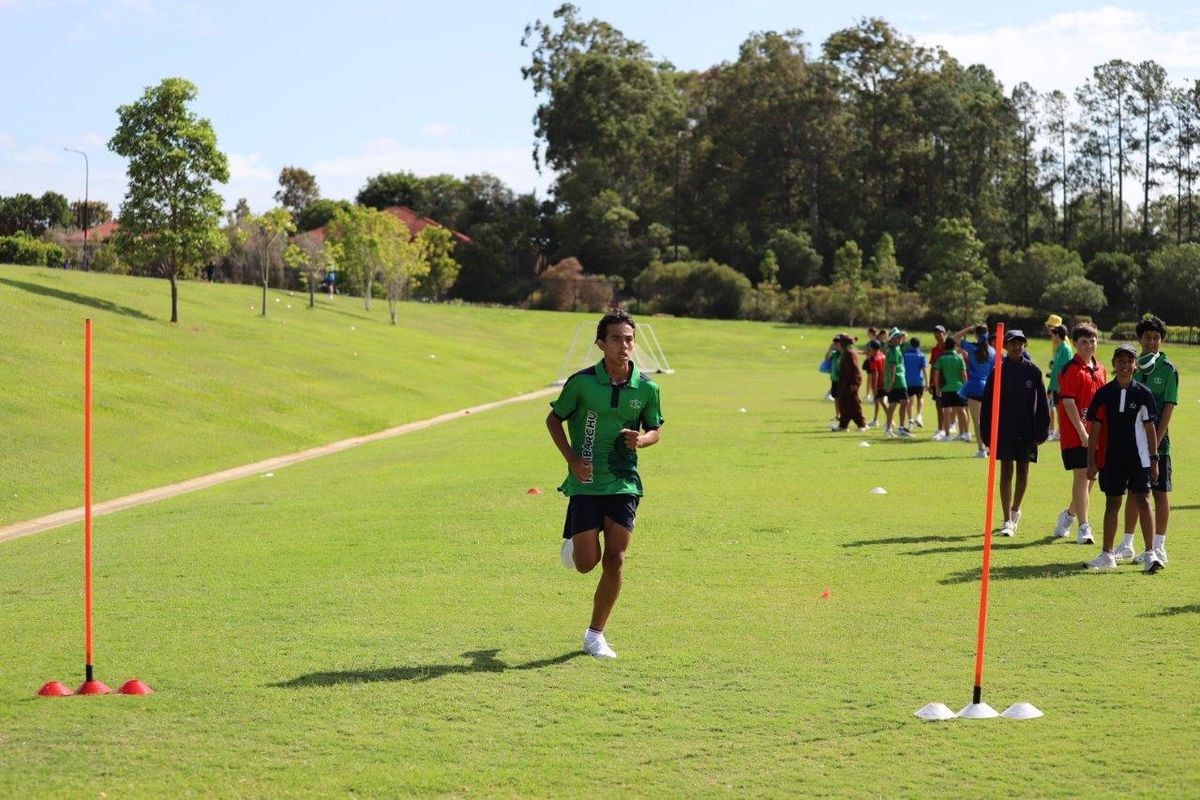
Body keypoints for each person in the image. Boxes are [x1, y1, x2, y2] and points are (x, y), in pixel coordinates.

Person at [545, 309, 665, 659]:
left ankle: (595, 635)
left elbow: (655, 429)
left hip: (624, 481)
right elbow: (553, 420)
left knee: (615, 559)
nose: (623, 345)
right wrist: (572, 459)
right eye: (616, 339)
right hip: (585, 481)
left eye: (629, 339)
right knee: (586, 563)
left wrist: (642, 440)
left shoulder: (647, 388)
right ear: (601, 344)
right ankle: (575, 542)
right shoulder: (581, 383)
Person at [1082, 344, 1164, 573]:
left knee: (1143, 500)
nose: (1125, 365)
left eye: (1129, 361)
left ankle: (1150, 553)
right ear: (1114, 364)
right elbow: (1095, 430)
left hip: (1139, 458)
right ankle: (1107, 554)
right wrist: (1091, 462)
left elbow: (1150, 429)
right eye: (1121, 361)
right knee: (1112, 503)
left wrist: (1154, 459)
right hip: (1111, 457)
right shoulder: (1103, 394)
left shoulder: (1143, 394)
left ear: (1135, 365)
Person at [1118, 315, 1178, 566]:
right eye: (1147, 337)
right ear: (1140, 339)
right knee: (1134, 491)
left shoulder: (1168, 369)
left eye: (1156, 338)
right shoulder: (1133, 366)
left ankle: (1159, 546)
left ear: (1161, 341)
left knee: (1160, 492)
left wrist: (1155, 442)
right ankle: (1127, 544)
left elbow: (1168, 407)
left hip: (1158, 443)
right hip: (1132, 442)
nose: (1151, 342)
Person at [979, 330, 1050, 535]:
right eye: (1012, 343)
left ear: (1024, 345)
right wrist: (986, 434)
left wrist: (1042, 431)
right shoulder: (998, 371)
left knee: (1023, 472)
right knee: (1006, 472)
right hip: (1004, 431)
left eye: (1020, 343)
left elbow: (1043, 404)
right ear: (1005, 346)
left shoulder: (1033, 371)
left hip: (1027, 431)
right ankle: (1007, 520)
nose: (1017, 347)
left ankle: (1015, 509)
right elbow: (987, 404)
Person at [1052, 323, 1106, 544]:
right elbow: (1068, 403)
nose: (1089, 345)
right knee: (1082, 477)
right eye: (1084, 342)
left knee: (1091, 478)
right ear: (1075, 344)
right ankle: (1084, 527)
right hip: (1076, 435)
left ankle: (1068, 516)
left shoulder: (1100, 368)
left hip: (1098, 434)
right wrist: (1082, 433)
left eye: (1092, 341)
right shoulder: (1071, 369)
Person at [953, 325, 995, 457]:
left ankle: (981, 450)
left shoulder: (972, 348)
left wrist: (969, 328)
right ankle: (989, 447)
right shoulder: (993, 351)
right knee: (987, 420)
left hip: (974, 385)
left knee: (977, 421)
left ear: (976, 335)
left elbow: (955, 338)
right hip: (987, 386)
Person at [931, 338, 969, 442]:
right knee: (961, 410)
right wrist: (966, 388)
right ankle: (965, 433)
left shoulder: (941, 358)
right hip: (959, 388)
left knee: (946, 411)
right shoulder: (959, 358)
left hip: (946, 388)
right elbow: (964, 374)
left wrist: (937, 388)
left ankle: (947, 435)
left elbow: (936, 374)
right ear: (955, 346)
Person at [882, 328, 914, 438]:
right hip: (898, 381)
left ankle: (891, 428)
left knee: (894, 404)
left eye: (901, 336)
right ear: (893, 339)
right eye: (898, 337)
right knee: (903, 402)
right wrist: (891, 382)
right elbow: (892, 366)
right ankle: (896, 428)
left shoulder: (896, 348)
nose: (901, 338)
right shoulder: (893, 350)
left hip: (898, 380)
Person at [832, 334, 866, 431]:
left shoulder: (850, 353)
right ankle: (843, 425)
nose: (838, 344)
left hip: (850, 383)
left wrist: (854, 383)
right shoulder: (845, 352)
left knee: (853, 403)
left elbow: (855, 369)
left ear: (843, 343)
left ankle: (862, 424)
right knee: (843, 403)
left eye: (840, 342)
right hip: (844, 382)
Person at [1046, 323, 1074, 441]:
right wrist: (1051, 387)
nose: (1052, 336)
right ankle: (1060, 431)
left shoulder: (1066, 349)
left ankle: (1062, 432)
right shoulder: (1059, 348)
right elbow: (1055, 369)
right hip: (1056, 385)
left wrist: (1061, 386)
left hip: (1061, 386)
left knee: (1062, 410)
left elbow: (1065, 369)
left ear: (1058, 335)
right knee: (1058, 408)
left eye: (1054, 334)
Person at [904, 336, 928, 428]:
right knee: (920, 398)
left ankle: (910, 420)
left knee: (909, 401)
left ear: (910, 345)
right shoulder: (921, 355)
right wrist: (927, 382)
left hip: (908, 381)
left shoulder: (905, 355)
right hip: (918, 381)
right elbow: (924, 369)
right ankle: (919, 415)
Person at [929, 325, 948, 434]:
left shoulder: (949, 347)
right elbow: (932, 366)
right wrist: (931, 382)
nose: (937, 335)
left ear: (944, 334)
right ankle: (941, 428)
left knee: (948, 406)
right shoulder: (934, 349)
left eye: (939, 332)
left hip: (948, 380)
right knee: (938, 404)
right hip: (937, 382)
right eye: (935, 333)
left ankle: (946, 428)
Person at [863, 340, 885, 427]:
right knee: (878, 402)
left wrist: (875, 388)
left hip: (878, 384)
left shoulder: (875, 359)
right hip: (884, 382)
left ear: (872, 348)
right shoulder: (883, 355)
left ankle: (890, 420)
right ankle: (875, 420)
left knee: (881, 401)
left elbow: (875, 374)